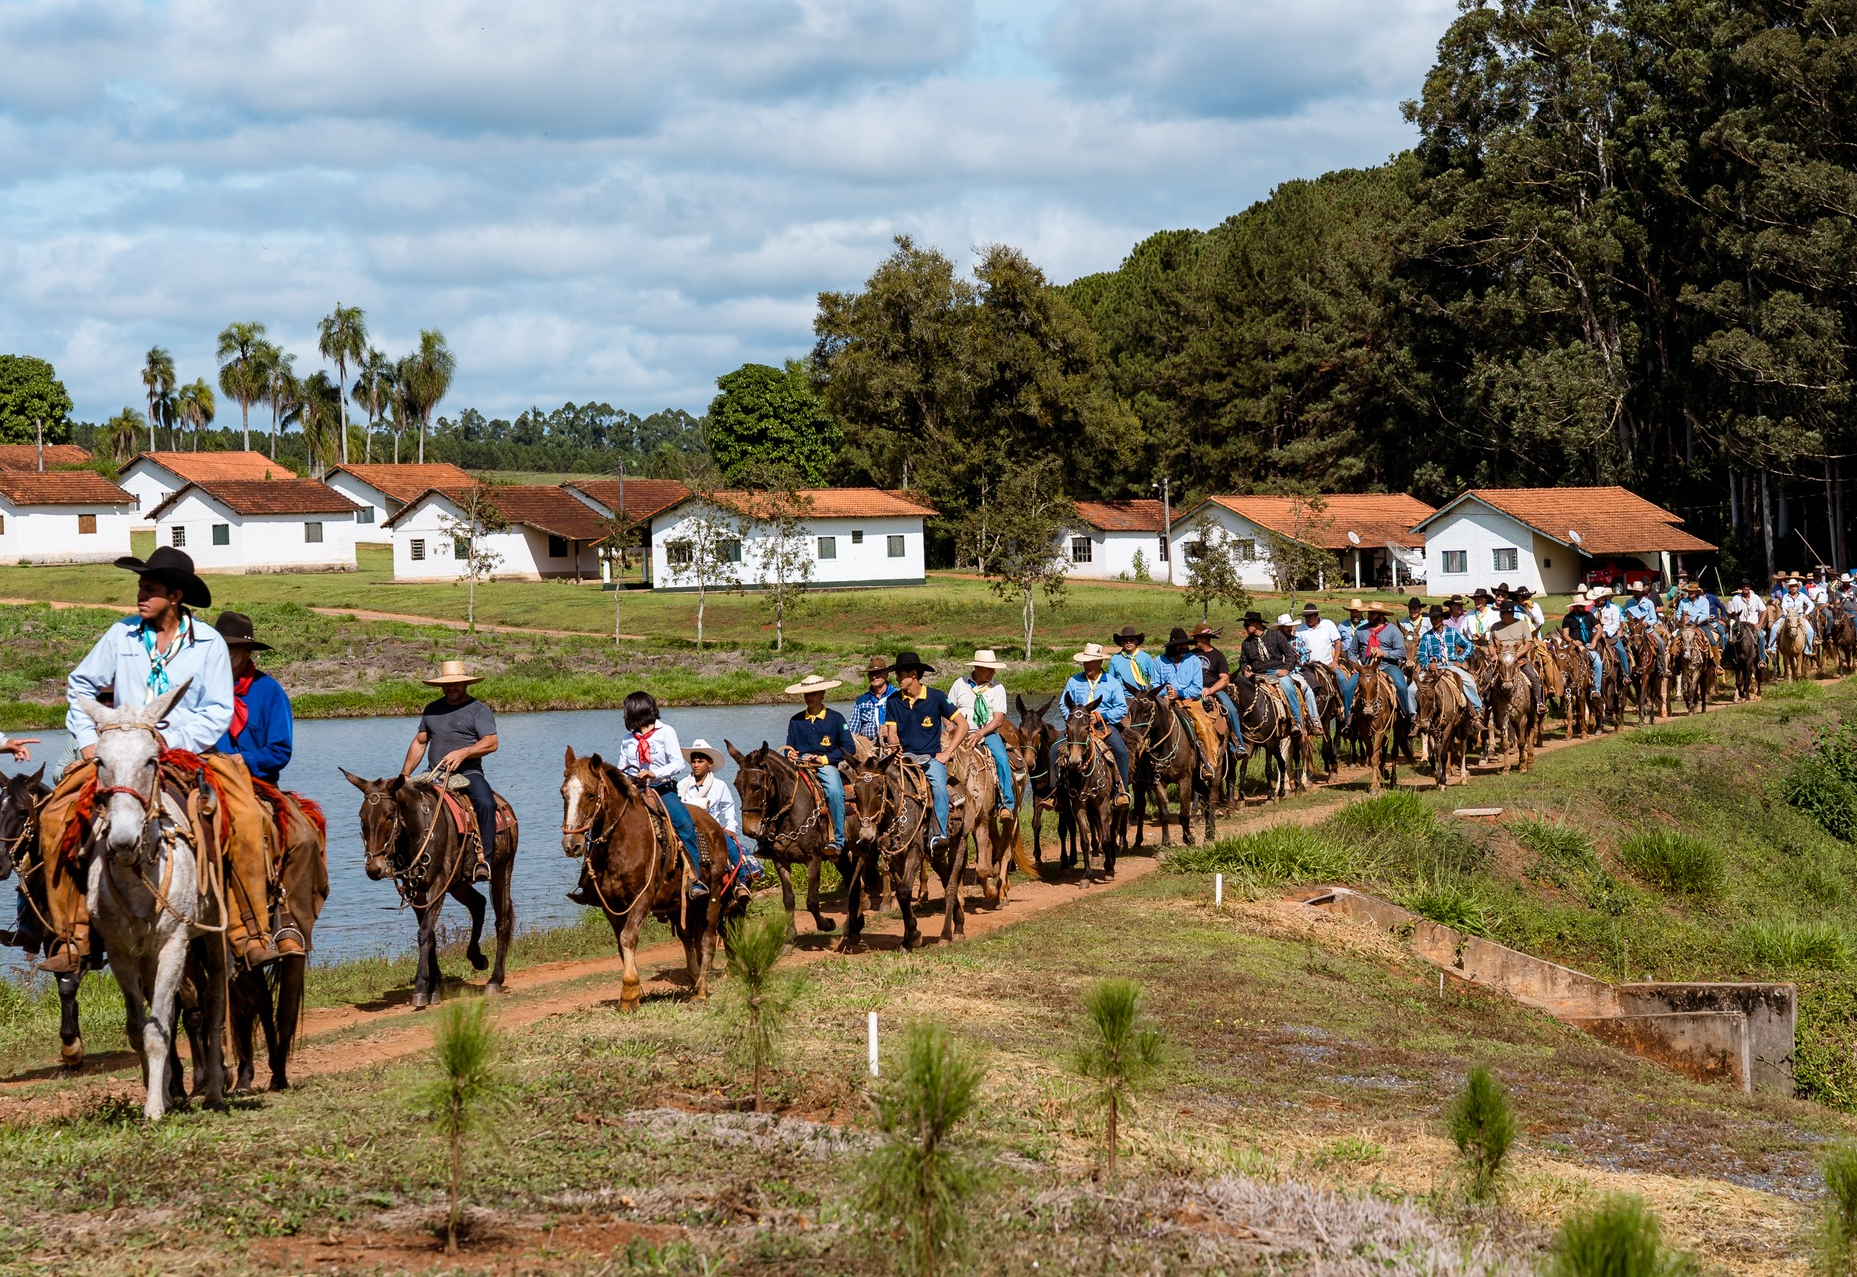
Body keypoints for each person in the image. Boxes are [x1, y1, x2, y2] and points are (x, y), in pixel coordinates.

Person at [42, 546, 278, 973]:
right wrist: (88, 739)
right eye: (140, 587)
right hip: (124, 753)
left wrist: (170, 740)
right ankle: (72, 935)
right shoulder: (121, 635)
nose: (140, 595)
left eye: (149, 588)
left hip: (190, 754)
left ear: (175, 595)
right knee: (55, 816)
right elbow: (80, 685)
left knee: (247, 817)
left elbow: (217, 710)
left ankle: (249, 930)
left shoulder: (208, 643)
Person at [400, 660, 499, 886]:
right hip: (433, 774)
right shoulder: (432, 709)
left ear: (465, 684)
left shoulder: (478, 710)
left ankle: (485, 861)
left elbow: (491, 742)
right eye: (447, 684)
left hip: (469, 773)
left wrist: (465, 752)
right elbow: (420, 742)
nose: (451, 688)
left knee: (486, 803)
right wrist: (404, 775)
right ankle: (402, 858)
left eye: (456, 684)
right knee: (398, 801)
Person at [614, 690, 708, 899]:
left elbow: (678, 764)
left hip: (661, 789)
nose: (624, 715)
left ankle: (695, 879)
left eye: (626, 710)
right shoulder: (628, 740)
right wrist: (626, 779)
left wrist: (654, 773)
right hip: (635, 790)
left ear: (636, 711)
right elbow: (621, 768)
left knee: (685, 825)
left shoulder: (666, 732)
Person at [882, 652, 968, 852]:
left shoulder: (937, 697)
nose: (896, 678)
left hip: (930, 757)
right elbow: (892, 733)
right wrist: (894, 747)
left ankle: (939, 834)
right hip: (904, 758)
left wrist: (948, 753)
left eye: (900, 674)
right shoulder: (893, 701)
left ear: (913, 675)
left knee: (939, 788)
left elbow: (962, 725)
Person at [213, 611, 292, 784]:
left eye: (230, 647)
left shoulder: (269, 692)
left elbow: (280, 751)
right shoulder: (200, 687)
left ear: (247, 651)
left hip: (254, 782)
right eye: (218, 646)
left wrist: (243, 759)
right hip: (206, 778)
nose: (222, 652)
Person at [783, 673, 848, 854]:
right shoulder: (795, 720)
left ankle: (839, 839)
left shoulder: (836, 718)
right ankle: (771, 838)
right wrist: (790, 754)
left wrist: (823, 759)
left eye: (814, 693)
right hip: (800, 764)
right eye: (807, 694)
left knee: (835, 792)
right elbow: (789, 747)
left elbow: (848, 748)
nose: (810, 697)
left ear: (822, 694)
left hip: (825, 764)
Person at [948, 650, 1015, 815]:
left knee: (1001, 758)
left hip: (987, 733)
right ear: (977, 667)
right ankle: (942, 798)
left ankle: (1006, 803)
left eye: (993, 668)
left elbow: (998, 720)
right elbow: (946, 710)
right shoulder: (959, 684)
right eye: (989, 668)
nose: (993, 672)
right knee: (941, 757)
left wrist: (980, 733)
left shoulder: (997, 688)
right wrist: (950, 727)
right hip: (959, 732)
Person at [1064, 643, 1131, 803]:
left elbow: (1121, 708)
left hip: (1104, 725)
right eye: (1085, 662)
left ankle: (1121, 791)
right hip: (1077, 729)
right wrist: (1074, 721)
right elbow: (1063, 704)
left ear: (1100, 662)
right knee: (1053, 751)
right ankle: (1057, 796)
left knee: (1121, 752)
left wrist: (1103, 716)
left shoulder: (1112, 683)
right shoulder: (1073, 681)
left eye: (1091, 662)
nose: (1087, 665)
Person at [1238, 612, 1321, 727]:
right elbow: (1243, 661)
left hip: (1276, 672)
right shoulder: (1246, 643)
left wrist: (1286, 669)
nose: (1245, 627)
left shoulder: (1275, 635)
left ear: (1256, 624)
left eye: (1247, 625)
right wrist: (1245, 670)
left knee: (1289, 689)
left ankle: (1297, 722)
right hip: (1257, 674)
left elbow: (1289, 654)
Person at [1416, 606, 1484, 722]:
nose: (1434, 621)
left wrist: (1460, 660)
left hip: (1451, 665)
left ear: (1442, 618)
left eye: (1436, 618)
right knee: (1412, 689)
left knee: (1470, 682)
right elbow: (1421, 655)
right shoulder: (1426, 636)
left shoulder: (1452, 632)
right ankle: (1414, 718)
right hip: (1433, 667)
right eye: (1432, 619)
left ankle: (1477, 712)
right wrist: (1428, 665)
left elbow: (1469, 645)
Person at [1190, 622, 1244, 760]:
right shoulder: (1190, 655)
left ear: (1204, 639)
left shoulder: (1218, 656)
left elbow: (1224, 679)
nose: (1194, 640)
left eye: (1196, 638)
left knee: (1231, 710)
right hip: (1191, 690)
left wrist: (1210, 690)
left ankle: (1237, 744)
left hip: (1213, 690)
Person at [1357, 602, 1414, 718]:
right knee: (1348, 688)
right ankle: (1348, 720)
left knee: (1401, 687)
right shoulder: (1361, 630)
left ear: (1381, 615)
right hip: (1365, 668)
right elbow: (1352, 651)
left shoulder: (1393, 630)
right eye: (1369, 613)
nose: (1369, 616)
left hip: (1387, 665)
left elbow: (1401, 653)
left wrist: (1383, 653)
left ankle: (1406, 716)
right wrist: (1357, 667)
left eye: (1373, 614)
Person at [1491, 599, 1547, 717]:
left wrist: (1515, 656)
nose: (1501, 615)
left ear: (1510, 614)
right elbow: (1491, 645)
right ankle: (1485, 706)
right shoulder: (1495, 627)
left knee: (1533, 677)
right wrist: (1494, 655)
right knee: (1486, 679)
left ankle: (1539, 702)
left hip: (1519, 659)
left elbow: (1528, 644)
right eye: (1500, 613)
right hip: (1501, 660)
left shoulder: (1522, 624)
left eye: (1503, 613)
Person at [677, 739, 741, 839]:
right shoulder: (682, 785)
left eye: (700, 761)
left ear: (710, 763)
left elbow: (728, 807)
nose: (696, 765)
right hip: (688, 830)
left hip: (713, 830)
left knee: (732, 848)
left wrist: (731, 827)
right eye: (693, 761)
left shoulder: (719, 785)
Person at [846, 656, 893, 749]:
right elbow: (853, 730)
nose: (874, 677)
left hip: (894, 745)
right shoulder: (861, 701)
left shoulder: (896, 697)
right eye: (871, 674)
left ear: (886, 674)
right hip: (869, 748)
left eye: (878, 673)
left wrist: (891, 732)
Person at [1773, 574, 1817, 658]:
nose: (1793, 588)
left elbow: (1811, 604)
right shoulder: (1785, 596)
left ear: (1797, 587)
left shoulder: (1802, 595)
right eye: (1791, 586)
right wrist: (1788, 615)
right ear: (1789, 587)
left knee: (1810, 631)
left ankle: (1808, 649)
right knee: (1775, 627)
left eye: (1795, 586)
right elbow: (1783, 606)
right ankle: (1772, 647)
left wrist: (1806, 613)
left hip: (1799, 616)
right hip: (1788, 616)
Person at [1725, 580, 1767, 664]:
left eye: (1747, 586)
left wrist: (1760, 624)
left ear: (1750, 588)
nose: (1746, 588)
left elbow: (1764, 610)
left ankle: (1762, 659)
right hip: (1739, 625)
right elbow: (1730, 613)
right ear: (1741, 588)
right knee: (1726, 637)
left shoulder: (1756, 598)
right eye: (1744, 586)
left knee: (1761, 637)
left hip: (1753, 625)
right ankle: (1727, 660)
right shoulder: (1736, 599)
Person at [1594, 586, 1631, 677]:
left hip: (1611, 635)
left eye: (1599, 598)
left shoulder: (1614, 608)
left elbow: (1615, 624)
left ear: (1604, 597)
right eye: (1596, 598)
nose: (1597, 600)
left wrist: (1605, 633)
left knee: (1621, 651)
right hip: (1594, 635)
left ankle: (1626, 675)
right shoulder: (1592, 609)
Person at [1108, 625, 1156, 692]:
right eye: (1125, 640)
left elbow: (1154, 679)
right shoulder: (1115, 659)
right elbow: (1111, 681)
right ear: (1121, 642)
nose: (1128, 642)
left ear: (1136, 641)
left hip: (1142, 694)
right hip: (1122, 694)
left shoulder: (1146, 657)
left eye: (1131, 640)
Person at [1675, 581, 1720, 650]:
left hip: (1701, 625)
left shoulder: (1704, 601)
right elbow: (1678, 614)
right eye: (1689, 591)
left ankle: (1716, 656)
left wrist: (1693, 621)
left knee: (1712, 641)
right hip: (1685, 627)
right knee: (1674, 641)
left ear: (1697, 592)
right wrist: (1682, 619)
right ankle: (1671, 656)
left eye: (1693, 591)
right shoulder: (1683, 601)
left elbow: (1705, 615)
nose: (1691, 593)